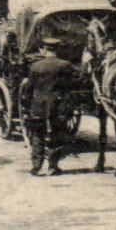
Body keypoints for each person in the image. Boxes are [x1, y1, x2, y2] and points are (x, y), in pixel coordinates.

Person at [19, 37, 77, 176]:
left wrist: (27, 106)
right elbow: (78, 79)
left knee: (37, 136)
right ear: (58, 49)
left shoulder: (35, 66)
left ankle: (37, 167)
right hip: (59, 106)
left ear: (44, 49)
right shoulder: (65, 65)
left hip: (38, 106)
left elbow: (29, 88)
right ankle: (53, 167)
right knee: (57, 135)